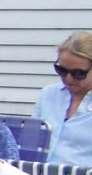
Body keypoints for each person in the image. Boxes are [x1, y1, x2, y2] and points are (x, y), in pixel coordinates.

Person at [33, 30, 92, 167]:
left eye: (78, 73)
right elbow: (33, 139)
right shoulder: (48, 94)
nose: (68, 78)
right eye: (61, 70)